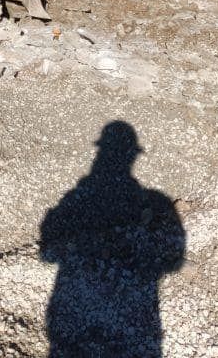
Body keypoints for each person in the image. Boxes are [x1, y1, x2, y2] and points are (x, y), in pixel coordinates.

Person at [40, 121, 185, 357]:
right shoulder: (152, 199)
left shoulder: (76, 196)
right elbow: (173, 262)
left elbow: (47, 252)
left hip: (73, 307)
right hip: (135, 316)